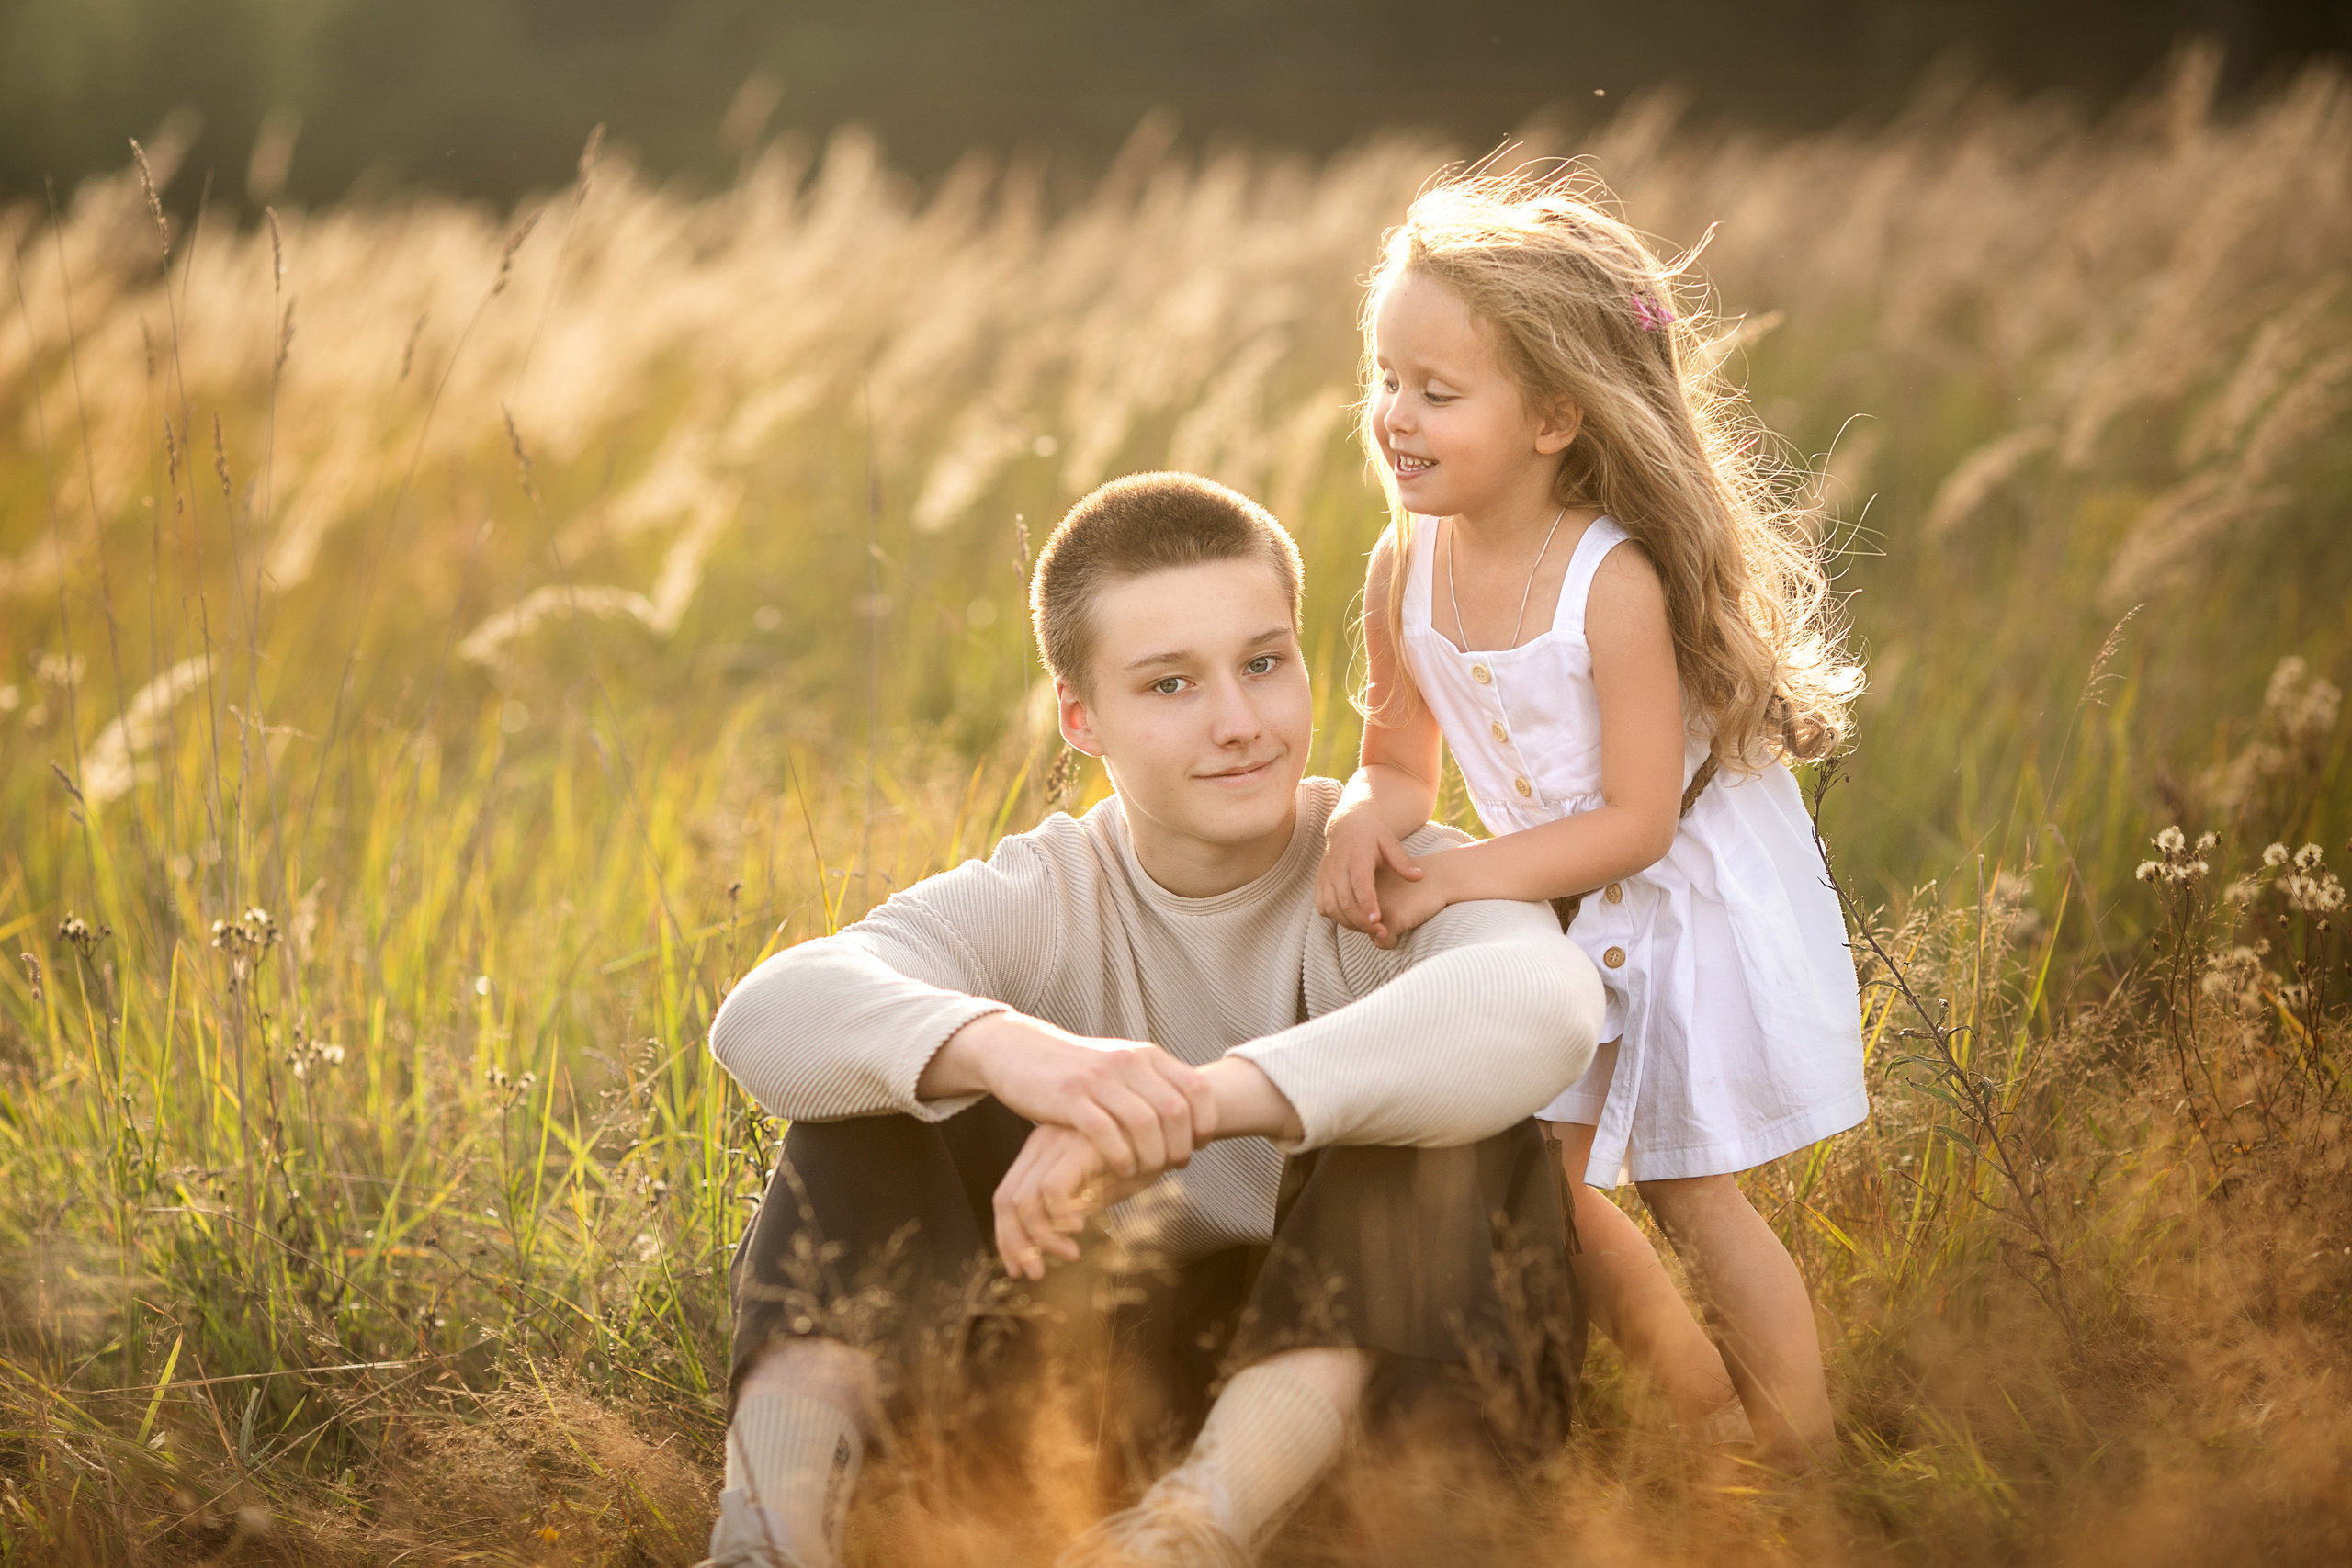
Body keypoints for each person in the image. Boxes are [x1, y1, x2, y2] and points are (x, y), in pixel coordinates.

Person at [702, 471, 1606, 1568]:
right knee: (876, 1090)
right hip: (1084, 1400)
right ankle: (765, 1540)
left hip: (1377, 1421)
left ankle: (1186, 1539)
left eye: (1264, 665)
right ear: (1081, 718)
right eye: (1170, 685)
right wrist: (1026, 1059)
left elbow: (1546, 1006)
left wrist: (1194, 1104)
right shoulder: (1044, 893)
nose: (1238, 723)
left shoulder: (1397, 878)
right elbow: (768, 1014)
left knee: (1450, 1134)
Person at [1313, 166, 1868, 1470]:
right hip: (1554, 898)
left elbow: (1634, 822)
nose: (1397, 415)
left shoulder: (1607, 579)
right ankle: (1707, 1417)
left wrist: (1456, 884)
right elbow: (1397, 752)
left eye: (1437, 393)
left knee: (1688, 1185)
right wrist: (1362, 812)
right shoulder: (1407, 563)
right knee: (1535, 1185)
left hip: (1677, 898)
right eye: (1386, 378)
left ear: (1557, 416)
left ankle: (1809, 1456)